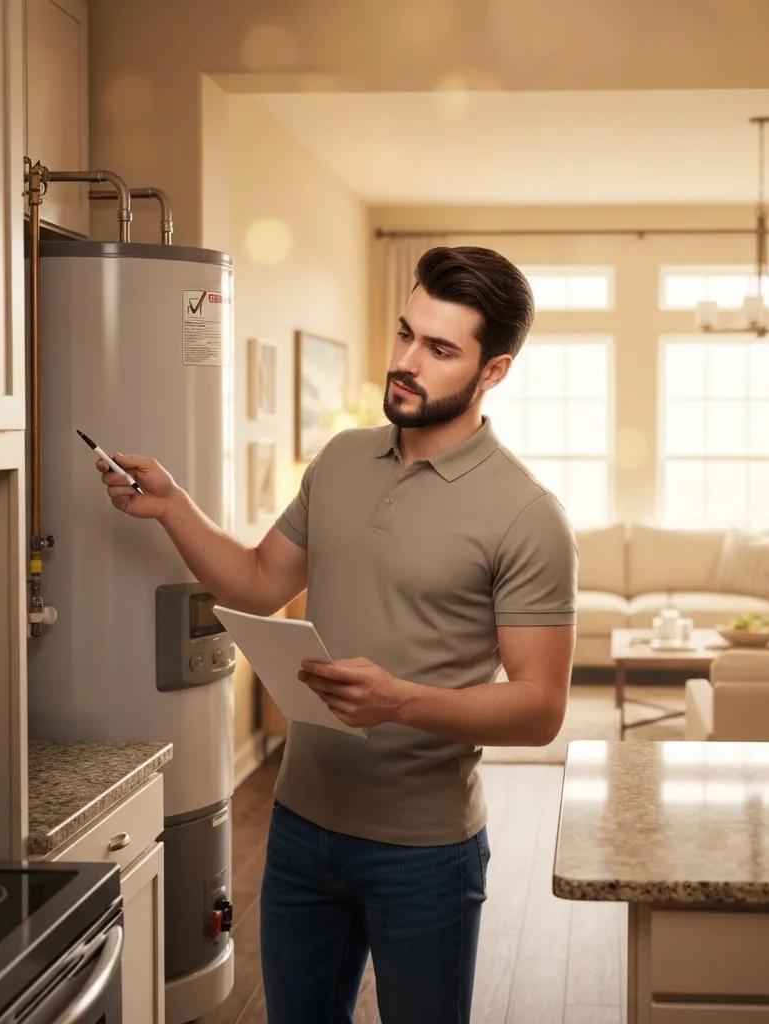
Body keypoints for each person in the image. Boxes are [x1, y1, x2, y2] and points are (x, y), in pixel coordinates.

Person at [97, 245, 577, 1024]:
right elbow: (257, 579)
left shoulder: (528, 515)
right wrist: (173, 506)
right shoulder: (343, 459)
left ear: (494, 372)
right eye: (405, 335)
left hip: (425, 852)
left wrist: (399, 702)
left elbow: (538, 708)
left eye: (441, 348)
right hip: (300, 829)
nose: (408, 362)